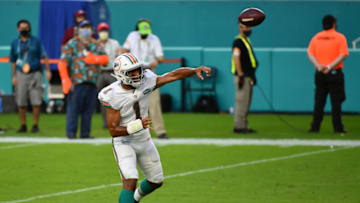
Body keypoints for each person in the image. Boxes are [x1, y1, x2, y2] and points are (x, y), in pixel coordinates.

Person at [98, 53, 211, 203]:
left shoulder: (147, 80)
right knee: (130, 181)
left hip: (143, 139)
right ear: (121, 74)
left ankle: (135, 199)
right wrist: (138, 125)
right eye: (132, 72)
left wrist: (194, 70)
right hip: (124, 142)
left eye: (138, 70)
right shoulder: (111, 94)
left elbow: (173, 75)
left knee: (156, 180)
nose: (137, 74)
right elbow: (113, 131)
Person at [58, 20, 108, 139]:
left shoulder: (96, 44)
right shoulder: (72, 44)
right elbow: (63, 62)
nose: (86, 29)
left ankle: (85, 134)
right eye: (83, 27)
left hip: (92, 82)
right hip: (77, 82)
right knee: (74, 109)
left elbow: (105, 59)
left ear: (92, 30)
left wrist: (94, 59)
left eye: (88, 27)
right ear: (78, 30)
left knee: (88, 110)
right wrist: (65, 79)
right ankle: (71, 134)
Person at [122, 18, 168, 139]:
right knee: (131, 102)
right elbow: (124, 50)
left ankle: (160, 131)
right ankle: (131, 130)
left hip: (148, 72)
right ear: (138, 29)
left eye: (146, 32)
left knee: (154, 103)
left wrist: (156, 61)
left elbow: (160, 56)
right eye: (142, 31)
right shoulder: (132, 36)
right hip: (133, 72)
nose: (144, 34)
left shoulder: (154, 38)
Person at [307, 15, 349, 133]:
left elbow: (310, 53)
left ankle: (315, 127)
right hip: (334, 73)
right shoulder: (340, 37)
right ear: (334, 24)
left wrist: (319, 66)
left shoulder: (316, 37)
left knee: (319, 101)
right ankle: (338, 127)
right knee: (336, 102)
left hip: (320, 73)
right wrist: (330, 66)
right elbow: (343, 54)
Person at [10, 19, 51, 133]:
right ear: (18, 29)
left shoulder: (35, 41)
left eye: (26, 27)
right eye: (22, 27)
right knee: (21, 100)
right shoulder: (15, 43)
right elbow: (13, 60)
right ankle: (23, 125)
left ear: (30, 28)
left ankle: (35, 124)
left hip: (35, 73)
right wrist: (13, 76)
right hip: (21, 74)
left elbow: (44, 56)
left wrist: (47, 71)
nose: (24, 29)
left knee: (36, 100)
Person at [231, 19, 258, 134]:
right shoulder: (238, 42)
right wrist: (241, 74)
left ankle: (244, 124)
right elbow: (236, 57)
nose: (247, 29)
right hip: (242, 77)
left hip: (249, 76)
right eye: (244, 27)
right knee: (241, 101)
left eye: (249, 27)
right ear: (240, 28)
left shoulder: (246, 40)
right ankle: (239, 126)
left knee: (246, 102)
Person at [96, 22, 121, 129]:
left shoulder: (114, 43)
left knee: (116, 98)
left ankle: (117, 121)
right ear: (98, 32)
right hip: (100, 72)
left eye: (105, 30)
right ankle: (105, 123)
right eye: (102, 31)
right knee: (103, 98)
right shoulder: (95, 44)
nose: (103, 33)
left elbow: (119, 57)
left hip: (112, 72)